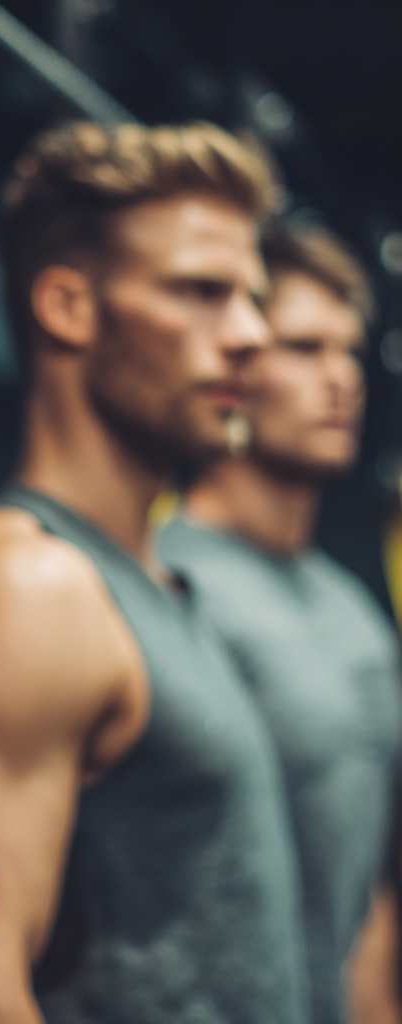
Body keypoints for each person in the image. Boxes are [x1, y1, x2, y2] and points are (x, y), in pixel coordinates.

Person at [0, 122, 310, 1024]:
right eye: (201, 291)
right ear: (69, 306)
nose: (251, 334)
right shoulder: (25, 587)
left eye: (252, 298)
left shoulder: (144, 580)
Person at [158, 225, 402, 1024]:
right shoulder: (168, 584)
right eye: (304, 348)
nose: (341, 378)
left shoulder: (353, 611)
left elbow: (366, 885)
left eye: (350, 351)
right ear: (234, 359)